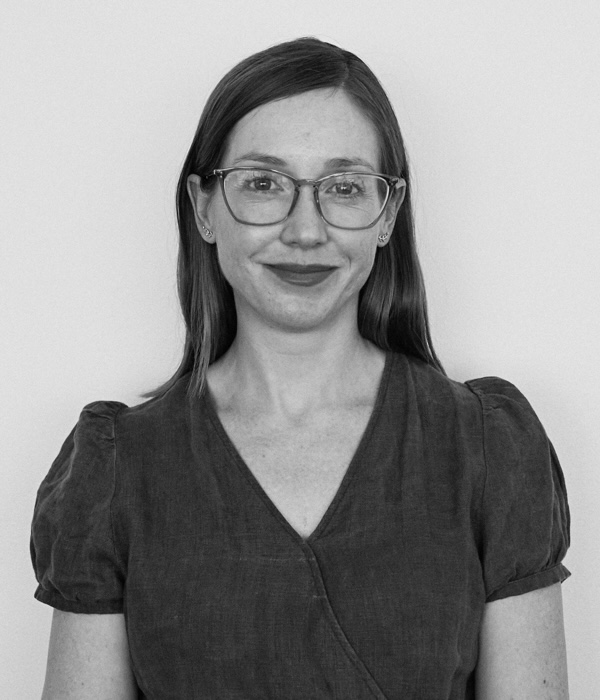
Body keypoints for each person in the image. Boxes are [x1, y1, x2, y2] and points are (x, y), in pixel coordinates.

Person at [31, 37, 570, 699]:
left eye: (344, 188)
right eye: (264, 184)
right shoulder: (114, 468)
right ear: (203, 207)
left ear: (386, 215)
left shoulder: (489, 447)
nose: (306, 231)